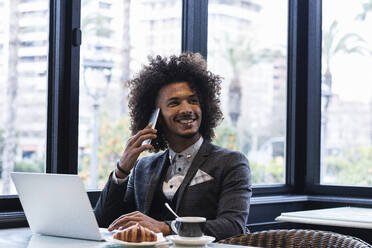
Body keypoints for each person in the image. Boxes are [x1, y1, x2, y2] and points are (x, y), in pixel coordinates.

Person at [94, 52, 252, 241]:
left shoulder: (231, 162)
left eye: (193, 101)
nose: (187, 109)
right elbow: (104, 221)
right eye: (174, 103)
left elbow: (232, 225)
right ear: (156, 116)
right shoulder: (143, 168)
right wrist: (122, 170)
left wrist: (167, 227)